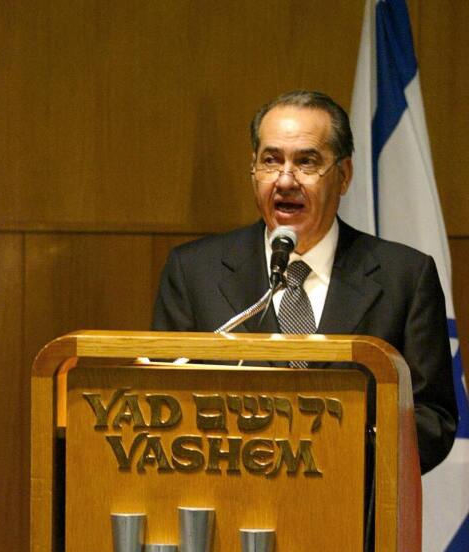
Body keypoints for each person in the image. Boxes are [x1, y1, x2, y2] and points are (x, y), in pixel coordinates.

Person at [152, 89, 458, 474]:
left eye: (306, 162)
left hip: (351, 514)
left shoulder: (404, 276)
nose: (285, 180)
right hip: (227, 511)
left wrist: (332, 452)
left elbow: (433, 419)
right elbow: (161, 404)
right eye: (271, 160)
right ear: (253, 170)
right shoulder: (194, 270)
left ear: (343, 176)